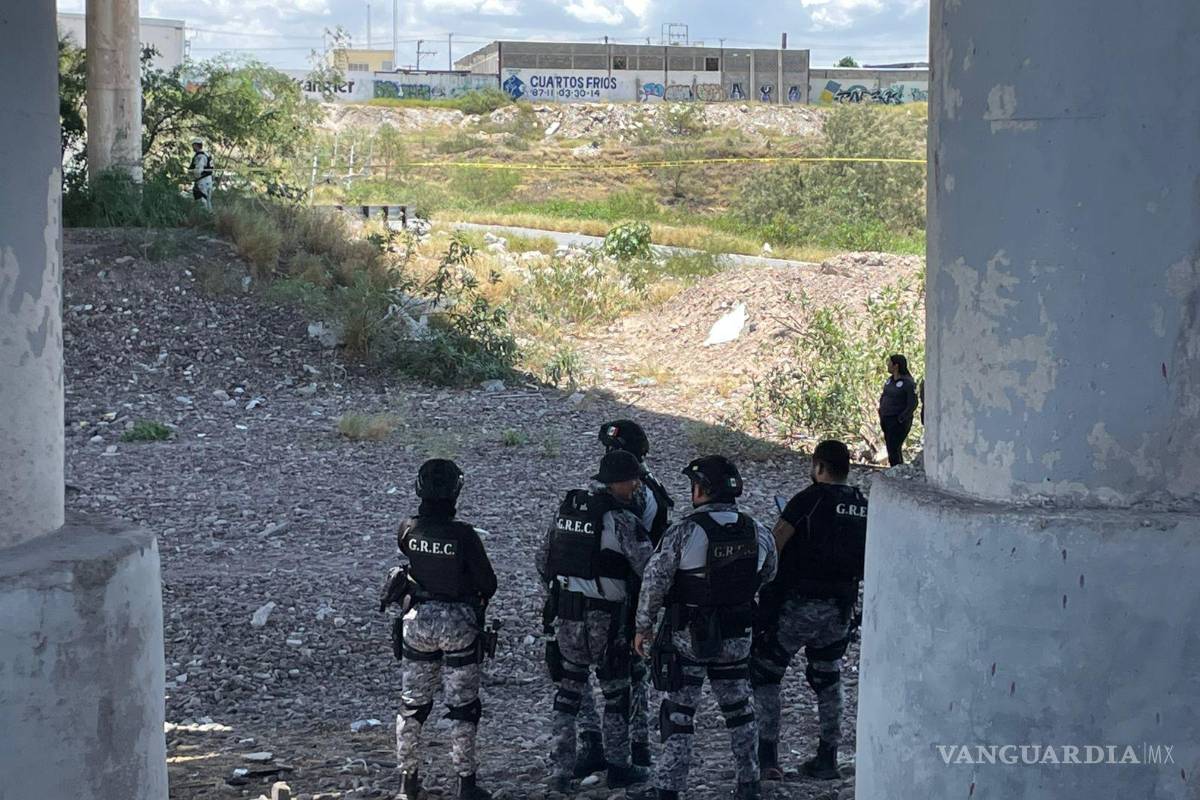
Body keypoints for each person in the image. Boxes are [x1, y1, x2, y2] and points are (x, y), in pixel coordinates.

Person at [633, 455, 778, 800]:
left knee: (679, 713)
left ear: (701, 489)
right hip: (737, 634)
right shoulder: (757, 530)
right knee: (740, 710)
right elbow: (769, 574)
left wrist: (643, 627)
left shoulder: (684, 531)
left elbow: (654, 582)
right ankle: (749, 782)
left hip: (689, 637)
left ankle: (668, 788)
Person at [538, 450, 655, 793]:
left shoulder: (567, 511)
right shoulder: (622, 520)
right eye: (632, 480)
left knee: (567, 693)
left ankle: (560, 771)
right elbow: (648, 569)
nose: (636, 486)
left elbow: (542, 560)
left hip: (568, 616)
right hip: (606, 619)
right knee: (616, 693)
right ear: (617, 482)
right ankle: (619, 766)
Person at [751, 440, 867, 782]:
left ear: (818, 467)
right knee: (828, 677)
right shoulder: (864, 505)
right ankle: (827, 757)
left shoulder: (808, 500)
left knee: (766, 672)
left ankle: (768, 756)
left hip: (797, 606)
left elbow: (775, 544)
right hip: (840, 609)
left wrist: (757, 591)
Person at [393, 459, 498, 800]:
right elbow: (488, 583)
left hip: (417, 623)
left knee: (412, 706)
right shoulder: (463, 535)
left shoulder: (408, 528)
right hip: (458, 626)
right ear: (456, 490)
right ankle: (465, 783)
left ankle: (408, 783)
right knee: (463, 708)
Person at [577, 418, 673, 771]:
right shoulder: (651, 488)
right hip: (632, 593)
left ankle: (602, 747)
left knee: (609, 675)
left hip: (623, 594)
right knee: (633, 674)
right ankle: (636, 746)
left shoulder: (633, 492)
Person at [878, 354, 918, 466]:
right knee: (890, 446)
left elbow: (912, 403)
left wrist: (901, 418)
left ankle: (897, 467)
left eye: (889, 363)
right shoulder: (889, 381)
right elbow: (884, 395)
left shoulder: (907, 383)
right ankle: (894, 467)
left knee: (894, 446)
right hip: (886, 418)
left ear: (896, 365)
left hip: (898, 420)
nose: (887, 365)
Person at [189, 138, 214, 211]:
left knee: (202, 200)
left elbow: (198, 170)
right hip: (209, 180)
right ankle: (210, 216)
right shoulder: (207, 154)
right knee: (208, 201)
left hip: (202, 181)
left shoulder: (200, 156)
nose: (192, 147)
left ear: (196, 145)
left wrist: (194, 177)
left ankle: (205, 217)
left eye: (193, 145)